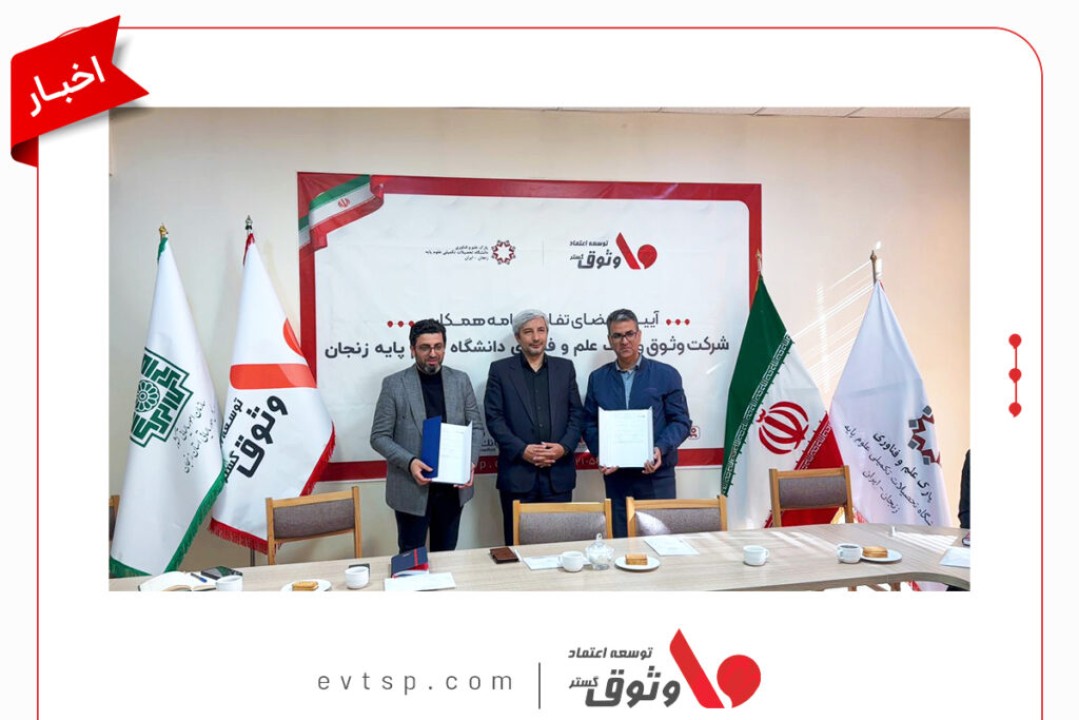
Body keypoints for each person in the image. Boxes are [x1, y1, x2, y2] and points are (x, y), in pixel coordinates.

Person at [370, 318, 484, 554]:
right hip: (411, 488)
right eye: (425, 347)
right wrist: (410, 462)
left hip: (452, 489)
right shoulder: (394, 384)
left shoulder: (460, 380)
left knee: (446, 554)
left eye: (438, 346)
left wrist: (469, 463)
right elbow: (379, 436)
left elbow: (476, 428)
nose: (433, 353)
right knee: (411, 557)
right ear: (413, 349)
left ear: (444, 347)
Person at [582, 308, 692, 537]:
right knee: (620, 540)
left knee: (659, 542)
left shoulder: (666, 374)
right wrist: (602, 452)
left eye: (629, 334)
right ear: (610, 340)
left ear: (639, 335)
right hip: (617, 478)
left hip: (656, 475)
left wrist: (660, 448)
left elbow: (681, 421)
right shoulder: (598, 378)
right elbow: (589, 423)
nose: (624, 341)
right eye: (617, 335)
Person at [485, 309, 585, 545]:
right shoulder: (500, 371)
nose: (536, 337)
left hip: (558, 475)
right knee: (518, 546)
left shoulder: (565, 368)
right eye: (528, 332)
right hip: (517, 475)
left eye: (541, 330)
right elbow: (494, 418)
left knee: (558, 544)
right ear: (518, 337)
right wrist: (522, 450)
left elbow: (577, 414)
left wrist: (563, 448)